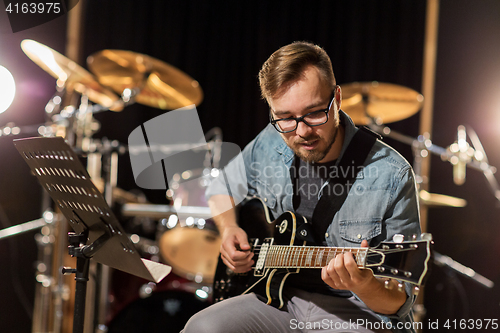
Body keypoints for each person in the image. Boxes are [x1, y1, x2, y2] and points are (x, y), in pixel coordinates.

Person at [182, 41, 421, 333]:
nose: (302, 131)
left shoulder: (392, 174)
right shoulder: (271, 140)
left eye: (315, 113)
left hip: (356, 311)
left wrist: (365, 284)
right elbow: (222, 187)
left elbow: (399, 301)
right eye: (285, 118)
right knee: (201, 327)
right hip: (279, 300)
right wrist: (229, 229)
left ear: (337, 99)